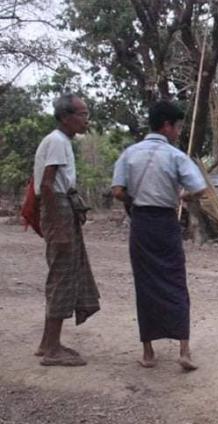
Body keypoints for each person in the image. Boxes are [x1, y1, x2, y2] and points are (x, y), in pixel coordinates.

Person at [111, 100, 207, 371]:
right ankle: (184, 350)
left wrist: (135, 199)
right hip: (166, 223)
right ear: (166, 126)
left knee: (145, 285)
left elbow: (117, 191)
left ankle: (148, 353)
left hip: (141, 224)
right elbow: (199, 188)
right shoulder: (176, 156)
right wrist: (182, 196)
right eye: (177, 127)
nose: (178, 131)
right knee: (176, 282)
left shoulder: (129, 154)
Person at [32, 93, 101, 367]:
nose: (86, 120)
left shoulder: (61, 142)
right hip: (58, 210)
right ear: (65, 117)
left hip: (61, 209)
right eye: (82, 114)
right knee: (61, 277)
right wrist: (59, 227)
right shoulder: (58, 142)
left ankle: (47, 342)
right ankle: (52, 349)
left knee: (62, 274)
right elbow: (48, 184)